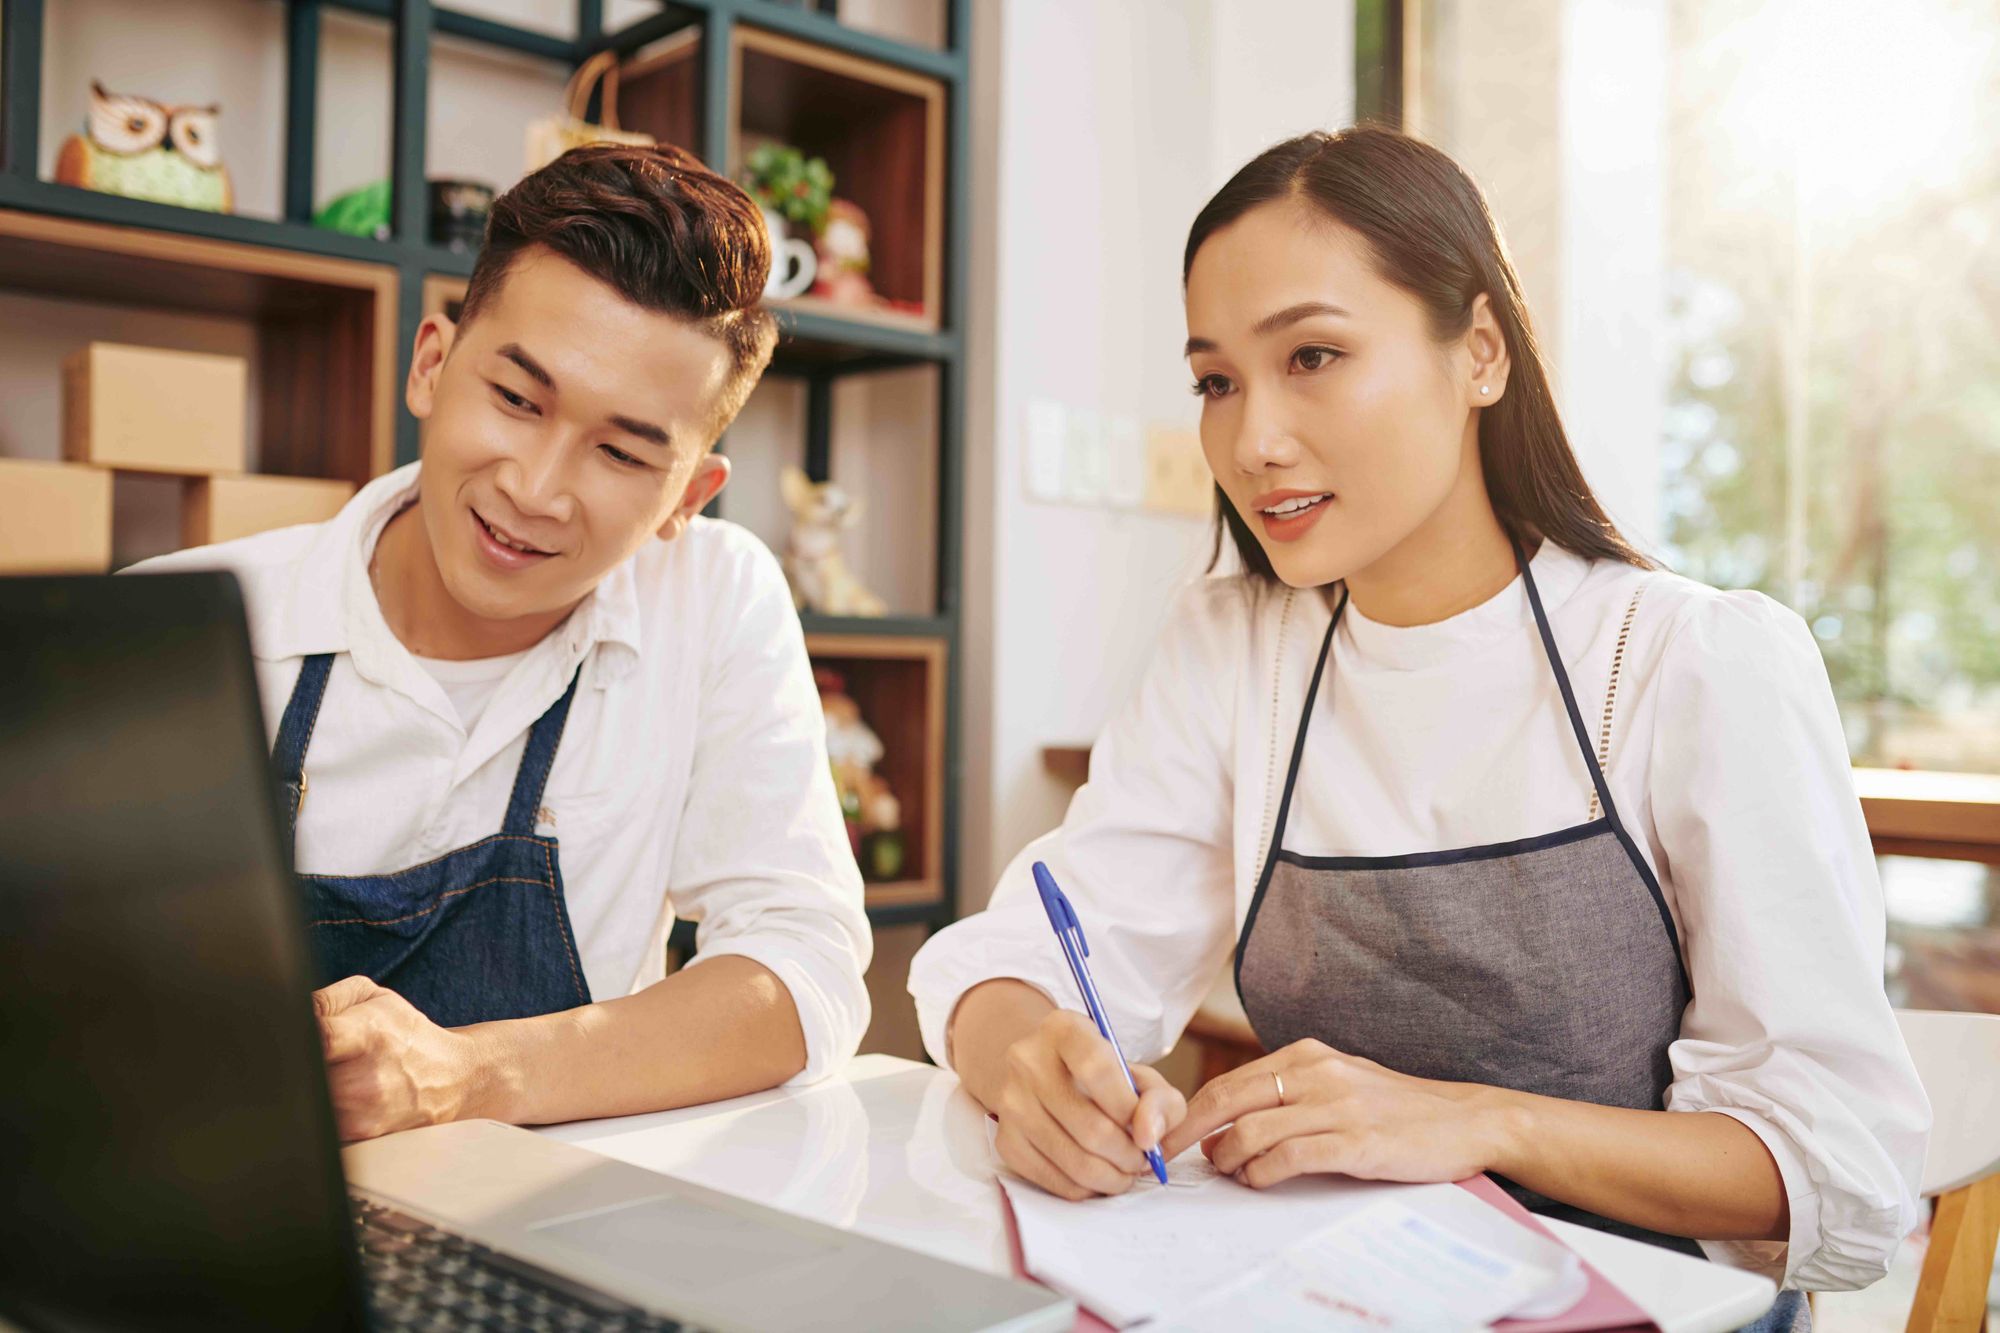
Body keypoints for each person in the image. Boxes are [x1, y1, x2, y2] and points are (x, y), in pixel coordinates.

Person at [909, 128, 1927, 1328]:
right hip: (1343, 1294)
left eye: (1314, 355)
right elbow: (1018, 958)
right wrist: (1024, 1054)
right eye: (1216, 381)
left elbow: (1839, 1167)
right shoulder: (1234, 650)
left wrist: (1480, 1120)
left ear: (1479, 351)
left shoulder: (1686, 659)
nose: (1251, 442)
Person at [133, 143, 870, 1141]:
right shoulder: (185, 627)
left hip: (552, 1231)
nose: (535, 487)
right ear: (432, 364)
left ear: (685, 497)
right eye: (517, 400)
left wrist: (471, 1073)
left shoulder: (713, 595)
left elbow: (803, 968)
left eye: (618, 451)